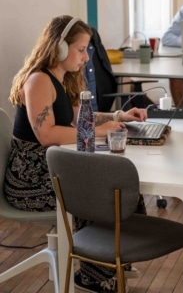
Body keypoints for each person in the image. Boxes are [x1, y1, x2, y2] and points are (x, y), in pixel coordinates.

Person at [3, 15, 147, 293]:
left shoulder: (60, 79)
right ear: (58, 48)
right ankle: (95, 276)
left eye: (86, 50)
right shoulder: (38, 81)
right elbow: (47, 134)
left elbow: (79, 117)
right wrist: (101, 131)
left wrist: (119, 116)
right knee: (102, 191)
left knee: (120, 185)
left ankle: (112, 264)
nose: (85, 57)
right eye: (81, 49)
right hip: (29, 182)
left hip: (51, 169)